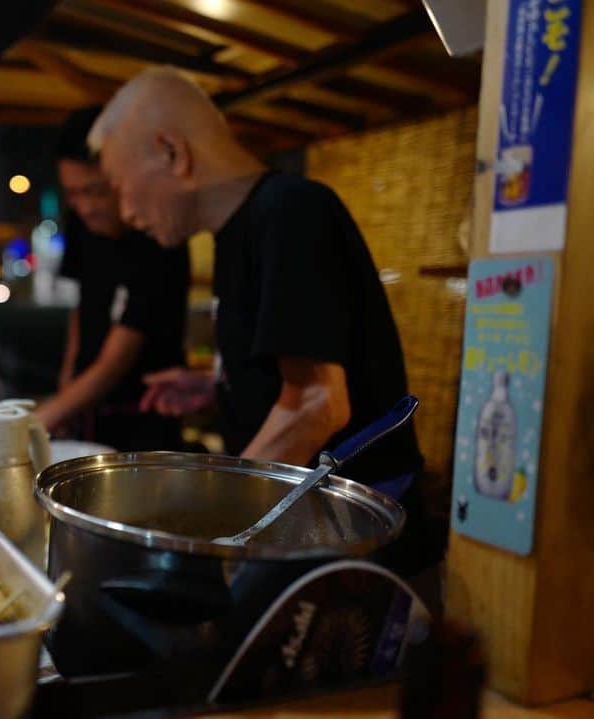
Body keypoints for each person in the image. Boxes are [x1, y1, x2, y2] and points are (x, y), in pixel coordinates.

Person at [87, 68, 443, 576]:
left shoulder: (290, 213)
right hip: (305, 525)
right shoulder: (238, 233)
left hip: (356, 546)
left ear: (172, 152)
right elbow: (294, 373)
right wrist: (219, 387)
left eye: (120, 186)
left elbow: (318, 405)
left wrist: (211, 533)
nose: (125, 211)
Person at [34, 106, 190, 451]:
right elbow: (82, 308)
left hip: (145, 416)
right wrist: (66, 389)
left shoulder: (158, 234)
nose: (85, 206)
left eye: (96, 191)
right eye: (73, 194)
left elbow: (116, 360)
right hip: (85, 408)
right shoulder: (82, 222)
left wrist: (40, 421)